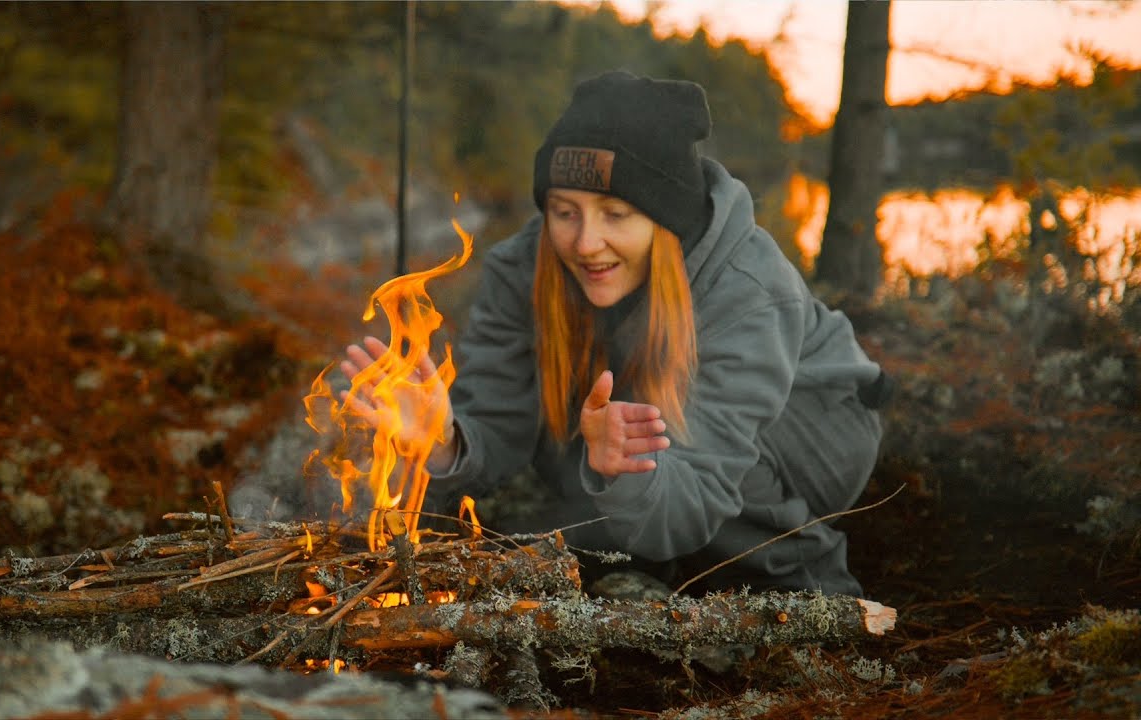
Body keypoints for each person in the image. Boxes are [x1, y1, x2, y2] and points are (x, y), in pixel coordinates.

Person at [340, 70, 887, 597]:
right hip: (659, 412)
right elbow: (500, 421)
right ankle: (640, 529)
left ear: (663, 219)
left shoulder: (748, 292)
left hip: (817, 425)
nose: (584, 243)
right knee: (586, 437)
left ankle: (813, 592)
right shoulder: (520, 268)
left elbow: (699, 482)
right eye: (564, 212)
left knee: (679, 461)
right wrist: (444, 441)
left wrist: (625, 473)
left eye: (616, 213)